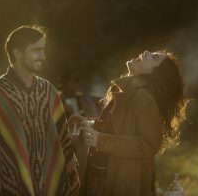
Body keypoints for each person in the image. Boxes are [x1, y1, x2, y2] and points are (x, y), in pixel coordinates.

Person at [0, 25, 80, 195]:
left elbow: (63, 145)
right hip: (9, 189)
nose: (43, 56)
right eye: (36, 51)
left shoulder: (49, 92)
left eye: (43, 50)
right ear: (17, 53)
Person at [77, 50, 186, 196]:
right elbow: (118, 128)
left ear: (154, 72)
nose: (146, 52)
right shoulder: (125, 90)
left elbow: (149, 143)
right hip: (97, 176)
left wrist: (100, 140)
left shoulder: (143, 97)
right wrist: (88, 123)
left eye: (154, 57)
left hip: (117, 183)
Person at [58, 73, 101, 195]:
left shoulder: (82, 98)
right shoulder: (58, 98)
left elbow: (91, 113)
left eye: (76, 82)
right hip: (65, 137)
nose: (74, 84)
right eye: (71, 81)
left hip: (82, 136)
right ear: (64, 84)